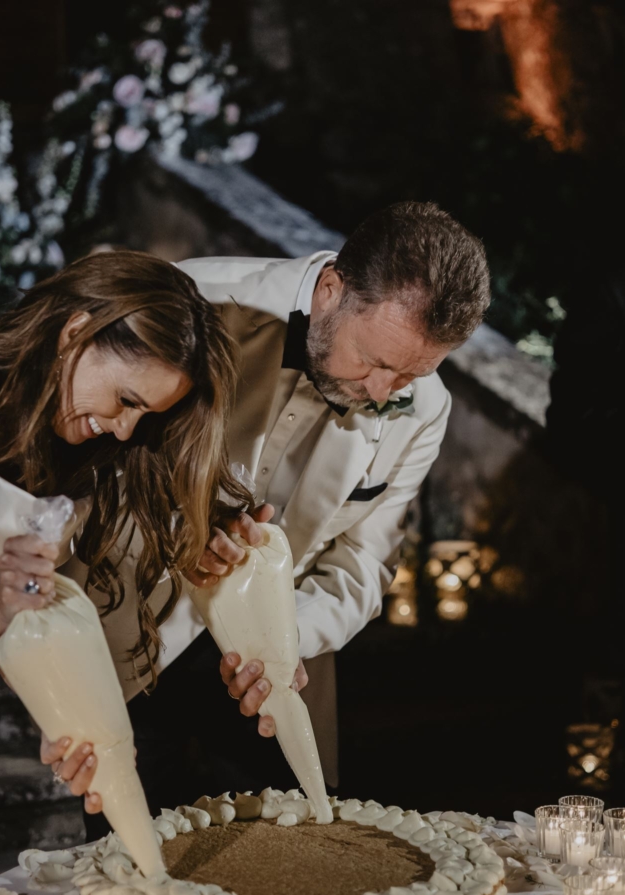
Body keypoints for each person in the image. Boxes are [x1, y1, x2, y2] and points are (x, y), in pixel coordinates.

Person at [62, 201, 491, 827]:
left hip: (276, 688)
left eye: (410, 373)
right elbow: (88, 458)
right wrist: (181, 535)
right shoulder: (195, 302)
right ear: (330, 290)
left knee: (299, 879)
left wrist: (289, 643)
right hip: (129, 650)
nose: (382, 391)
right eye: (373, 360)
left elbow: (365, 562)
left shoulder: (424, 407)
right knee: (133, 878)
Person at [0, 248, 259, 895]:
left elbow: (31, 628)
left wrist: (80, 729)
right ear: (74, 331)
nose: (122, 429)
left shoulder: (68, 466)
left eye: (145, 416)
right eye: (124, 399)